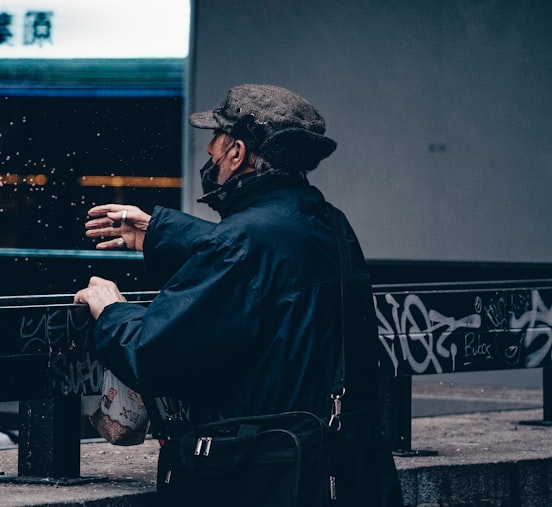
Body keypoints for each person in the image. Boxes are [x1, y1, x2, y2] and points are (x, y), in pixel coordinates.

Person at [73, 84, 403, 505]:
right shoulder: (328, 223)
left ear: (238, 153)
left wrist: (112, 311)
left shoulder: (243, 242)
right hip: (347, 468)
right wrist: (161, 234)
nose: (209, 148)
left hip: (267, 476)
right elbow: (267, 268)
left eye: (217, 137)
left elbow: (154, 357)